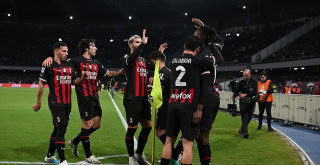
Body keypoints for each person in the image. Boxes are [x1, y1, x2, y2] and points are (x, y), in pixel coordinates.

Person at [42, 39, 123, 164]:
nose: (96, 48)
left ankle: (74, 141)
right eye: (93, 46)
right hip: (84, 98)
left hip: (95, 97)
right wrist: (49, 58)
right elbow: (59, 61)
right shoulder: (75, 61)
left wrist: (121, 72)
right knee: (86, 125)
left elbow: (108, 74)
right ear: (86, 48)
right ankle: (88, 155)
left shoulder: (97, 62)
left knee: (96, 125)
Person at [160, 36, 215, 165]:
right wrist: (199, 109)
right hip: (188, 107)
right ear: (197, 49)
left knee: (168, 141)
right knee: (187, 144)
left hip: (173, 105)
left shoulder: (173, 61)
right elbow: (214, 62)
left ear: (184, 47)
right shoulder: (198, 61)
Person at [33, 42, 89, 165]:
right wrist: (38, 102)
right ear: (56, 52)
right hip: (55, 101)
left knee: (58, 128)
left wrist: (83, 77)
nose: (66, 53)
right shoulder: (48, 65)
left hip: (68, 103)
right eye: (64, 51)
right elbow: (41, 83)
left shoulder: (69, 65)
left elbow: (75, 81)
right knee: (62, 129)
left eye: (67, 51)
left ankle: (49, 156)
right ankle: (62, 160)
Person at [191, 18, 224, 165]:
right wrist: (205, 27)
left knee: (199, 135)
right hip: (209, 95)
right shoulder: (211, 47)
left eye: (195, 35)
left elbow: (218, 58)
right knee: (197, 135)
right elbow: (220, 41)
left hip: (205, 96)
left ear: (201, 39)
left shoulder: (205, 54)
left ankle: (175, 158)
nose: (193, 37)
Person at [122, 29, 152, 165]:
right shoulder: (127, 58)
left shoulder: (143, 60)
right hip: (132, 98)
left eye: (140, 42)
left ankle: (139, 154)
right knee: (132, 128)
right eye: (137, 42)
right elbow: (134, 56)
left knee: (147, 126)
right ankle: (130, 157)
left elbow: (152, 69)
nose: (139, 44)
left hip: (143, 98)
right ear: (130, 45)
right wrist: (143, 45)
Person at [232, 69, 258, 138]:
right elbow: (237, 90)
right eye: (244, 75)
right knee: (244, 116)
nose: (245, 77)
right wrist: (234, 96)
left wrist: (245, 94)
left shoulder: (254, 81)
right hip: (243, 102)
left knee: (249, 117)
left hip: (252, 101)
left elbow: (255, 92)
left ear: (250, 74)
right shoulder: (241, 82)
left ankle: (242, 129)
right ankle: (245, 132)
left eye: (246, 75)